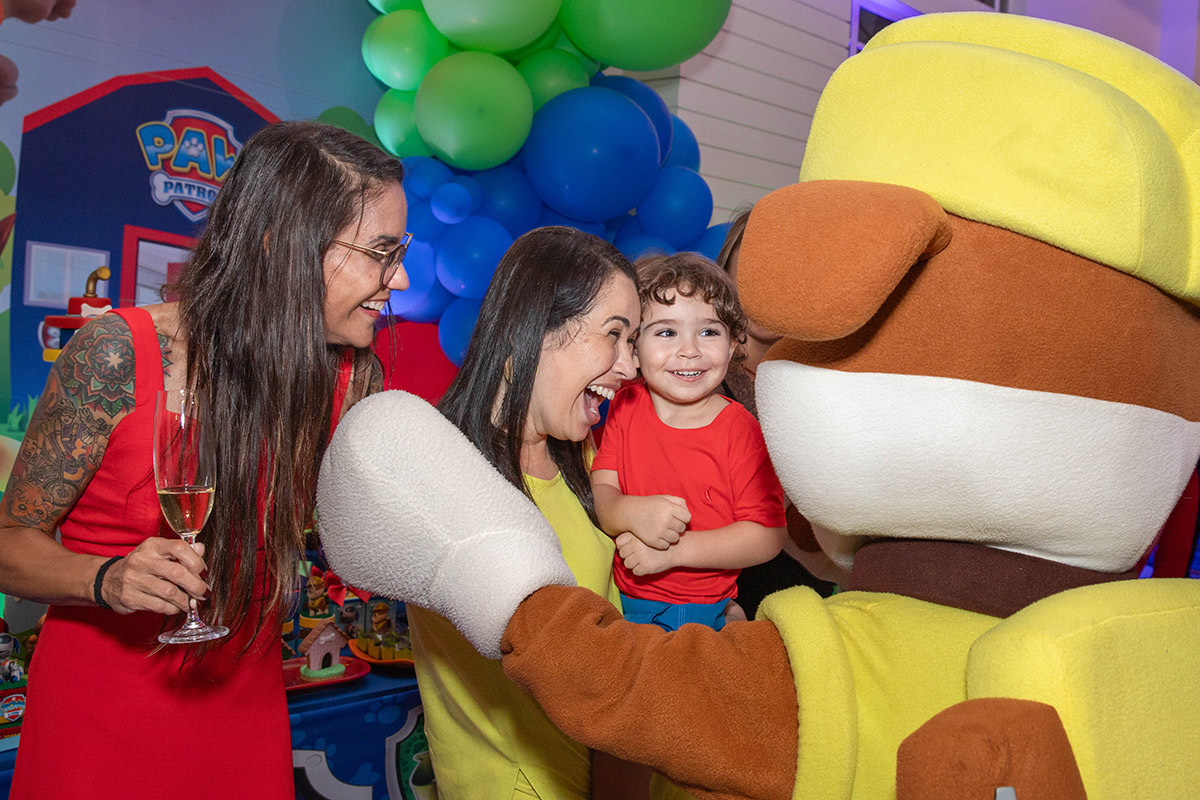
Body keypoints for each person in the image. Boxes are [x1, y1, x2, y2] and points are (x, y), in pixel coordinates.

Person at [0, 120, 409, 799]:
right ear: (281, 245)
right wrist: (105, 578)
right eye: (380, 253)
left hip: (244, 709)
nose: (399, 278)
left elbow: (352, 540)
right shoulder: (118, 354)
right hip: (102, 715)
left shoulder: (346, 378)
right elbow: (9, 542)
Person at [426, 226, 665, 799]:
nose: (630, 367)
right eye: (614, 335)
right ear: (534, 326)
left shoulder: (583, 459)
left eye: (633, 341)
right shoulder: (446, 471)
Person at [591, 253, 787, 632]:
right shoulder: (624, 405)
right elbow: (601, 490)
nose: (690, 350)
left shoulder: (741, 431)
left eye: (709, 332)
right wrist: (629, 512)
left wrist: (674, 553)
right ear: (634, 347)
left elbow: (768, 536)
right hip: (613, 596)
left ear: (733, 345)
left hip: (693, 613)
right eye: (666, 332)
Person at [717, 209, 846, 614]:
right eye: (753, 275)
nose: (768, 293)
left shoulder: (826, 384)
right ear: (726, 278)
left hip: (804, 600)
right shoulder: (693, 376)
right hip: (712, 597)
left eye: (785, 278)